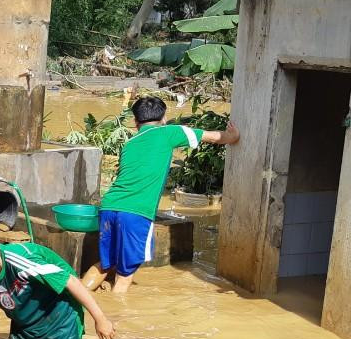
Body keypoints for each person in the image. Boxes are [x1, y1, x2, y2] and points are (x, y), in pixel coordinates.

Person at [82, 96, 240, 294]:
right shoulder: (170, 133)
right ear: (164, 118)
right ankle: (116, 318)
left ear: (135, 122)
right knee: (125, 274)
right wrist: (232, 135)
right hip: (135, 212)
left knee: (106, 264)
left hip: (109, 207)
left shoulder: (130, 144)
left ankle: (74, 300)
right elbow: (218, 137)